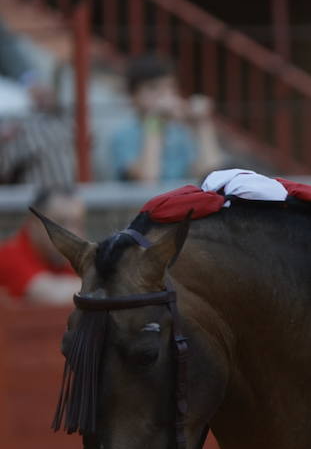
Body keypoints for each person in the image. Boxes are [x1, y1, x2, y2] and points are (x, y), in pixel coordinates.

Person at [107, 56, 223, 184]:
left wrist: (203, 123)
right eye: (153, 88)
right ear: (133, 95)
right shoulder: (123, 136)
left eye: (170, 87)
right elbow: (148, 180)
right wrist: (155, 120)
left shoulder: (181, 132)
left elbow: (212, 175)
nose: (163, 94)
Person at [0, 186, 83, 305]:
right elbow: (51, 295)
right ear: (34, 223)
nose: (71, 232)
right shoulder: (8, 255)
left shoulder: (66, 260)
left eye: (77, 223)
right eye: (60, 222)